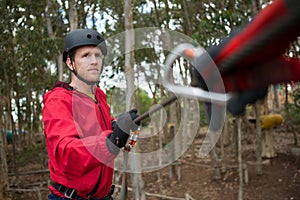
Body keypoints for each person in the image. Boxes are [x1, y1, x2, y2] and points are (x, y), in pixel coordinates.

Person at [42, 29, 139, 200]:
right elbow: (66, 154)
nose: (94, 61)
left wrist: (119, 126)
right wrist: (110, 142)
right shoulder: (58, 100)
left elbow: (100, 129)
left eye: (98, 55)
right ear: (70, 63)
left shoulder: (99, 96)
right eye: (85, 55)